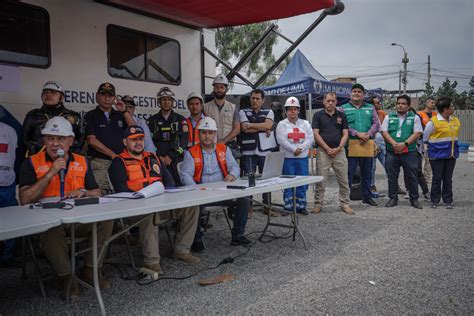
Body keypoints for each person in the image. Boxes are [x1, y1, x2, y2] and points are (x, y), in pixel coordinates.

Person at [18, 117, 113, 299]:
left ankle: (90, 269)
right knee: (50, 228)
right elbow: (24, 199)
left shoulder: (82, 161)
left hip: (77, 220)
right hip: (48, 220)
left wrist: (83, 191)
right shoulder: (31, 162)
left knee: (107, 219)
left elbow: (97, 192)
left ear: (70, 141)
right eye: (50, 138)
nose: (55, 144)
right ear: (44, 140)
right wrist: (50, 173)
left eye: (60, 138)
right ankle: (65, 277)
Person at [108, 126, 200, 272]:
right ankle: (152, 262)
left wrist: (167, 197)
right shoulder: (119, 162)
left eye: (140, 139)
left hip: (161, 204)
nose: (138, 142)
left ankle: (182, 251)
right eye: (133, 140)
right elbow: (121, 193)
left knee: (191, 207)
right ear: (125, 142)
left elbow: (169, 182)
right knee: (149, 215)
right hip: (136, 210)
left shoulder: (153, 157)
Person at [180, 117, 251, 247]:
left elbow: (235, 167)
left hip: (222, 193)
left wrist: (232, 175)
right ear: (199, 134)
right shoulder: (190, 152)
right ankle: (197, 239)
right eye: (204, 132)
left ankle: (238, 235)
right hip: (201, 194)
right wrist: (195, 190)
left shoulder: (223, 149)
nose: (207, 136)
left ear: (215, 134)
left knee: (244, 199)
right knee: (194, 205)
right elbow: (185, 175)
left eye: (210, 133)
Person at [84, 82, 134, 195]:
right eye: (103, 94)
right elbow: (91, 140)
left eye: (110, 95)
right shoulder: (90, 115)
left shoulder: (120, 115)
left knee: (123, 194)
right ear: (97, 96)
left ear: (114, 98)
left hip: (121, 162)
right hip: (100, 163)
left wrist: (124, 111)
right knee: (103, 195)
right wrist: (113, 155)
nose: (107, 98)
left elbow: (134, 131)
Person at [312, 93, 352, 214]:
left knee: (344, 180)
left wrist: (339, 148)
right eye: (328, 100)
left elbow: (345, 133)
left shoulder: (341, 115)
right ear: (324, 101)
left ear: (336, 102)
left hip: (339, 152)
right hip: (323, 152)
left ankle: (345, 203)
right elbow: (316, 134)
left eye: (333, 101)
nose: (330, 103)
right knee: (321, 179)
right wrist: (327, 148)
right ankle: (318, 204)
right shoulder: (317, 115)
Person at [340, 84, 380, 206]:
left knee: (367, 173)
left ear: (363, 95)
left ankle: (367, 197)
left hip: (367, 144)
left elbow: (376, 124)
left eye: (359, 92)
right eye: (354, 91)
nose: (356, 93)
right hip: (350, 145)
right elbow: (342, 125)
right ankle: (345, 200)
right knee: (349, 173)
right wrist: (357, 134)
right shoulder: (343, 108)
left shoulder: (370, 108)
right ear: (350, 94)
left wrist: (367, 134)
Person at [381, 95, 423, 209]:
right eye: (398, 103)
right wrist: (394, 144)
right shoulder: (389, 117)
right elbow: (384, 131)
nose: (400, 105)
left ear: (409, 106)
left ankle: (414, 199)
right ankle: (393, 198)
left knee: (412, 176)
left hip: (409, 152)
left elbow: (417, 132)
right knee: (392, 176)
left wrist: (405, 144)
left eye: (403, 103)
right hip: (392, 151)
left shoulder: (415, 117)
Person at [276, 97, 314, 215]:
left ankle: (301, 206)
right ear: (286, 111)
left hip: (302, 157)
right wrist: (293, 149)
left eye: (295, 109)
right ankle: (288, 207)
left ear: (298, 110)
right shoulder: (282, 124)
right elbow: (281, 140)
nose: (293, 112)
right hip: (288, 158)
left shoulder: (305, 124)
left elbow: (310, 138)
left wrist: (301, 149)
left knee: (302, 182)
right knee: (288, 182)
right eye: (290, 109)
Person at [239, 89, 275, 214]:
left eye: (257, 98)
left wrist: (252, 125)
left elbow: (268, 126)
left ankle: (267, 207)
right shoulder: (243, 112)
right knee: (250, 180)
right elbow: (244, 128)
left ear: (263, 100)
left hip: (264, 151)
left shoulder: (269, 111)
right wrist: (262, 127)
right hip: (248, 151)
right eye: (253, 98)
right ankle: (248, 208)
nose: (254, 100)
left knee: (267, 179)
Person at [22, 81, 82, 156]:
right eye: (45, 92)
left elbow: (81, 140)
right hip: (38, 159)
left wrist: (68, 153)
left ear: (61, 97)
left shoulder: (73, 116)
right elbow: (23, 139)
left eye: (53, 92)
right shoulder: (33, 115)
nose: (48, 95)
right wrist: (34, 149)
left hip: (65, 159)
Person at [423, 97, 460, 209]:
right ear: (445, 109)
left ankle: (448, 200)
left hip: (451, 154)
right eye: (451, 106)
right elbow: (425, 137)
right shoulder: (433, 122)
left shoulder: (455, 120)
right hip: (436, 155)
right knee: (437, 178)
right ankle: (435, 200)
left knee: (448, 179)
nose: (453, 108)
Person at [147, 87, 188, 186]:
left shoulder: (180, 120)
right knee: (159, 186)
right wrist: (160, 157)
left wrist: (170, 156)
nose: (166, 102)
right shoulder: (152, 121)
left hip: (176, 160)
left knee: (179, 187)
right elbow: (149, 142)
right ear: (159, 102)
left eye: (169, 99)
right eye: (163, 99)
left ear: (173, 102)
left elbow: (184, 142)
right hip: (158, 160)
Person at [203, 74, 241, 154]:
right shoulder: (205, 107)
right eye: (217, 87)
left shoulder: (233, 107)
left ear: (226, 89)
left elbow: (237, 129)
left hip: (230, 146)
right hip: (211, 146)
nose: (219, 90)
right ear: (214, 89)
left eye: (222, 87)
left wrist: (224, 141)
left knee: (231, 167)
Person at [0, 122, 19, 267]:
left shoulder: (9, 130)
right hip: (6, 181)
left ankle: (7, 255)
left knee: (12, 218)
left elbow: (15, 156)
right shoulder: (9, 129)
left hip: (6, 182)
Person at [368, 96, 387, 195]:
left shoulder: (382, 113)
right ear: (372, 104)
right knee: (372, 167)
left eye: (379, 102)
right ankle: (372, 186)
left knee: (388, 164)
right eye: (377, 102)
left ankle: (395, 186)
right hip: (371, 142)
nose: (379, 104)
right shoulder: (368, 113)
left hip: (382, 141)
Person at [418, 97, 437, 185]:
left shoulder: (435, 114)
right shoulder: (420, 114)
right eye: (432, 103)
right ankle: (418, 180)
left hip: (432, 141)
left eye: (434, 103)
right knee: (419, 162)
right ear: (427, 103)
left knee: (428, 162)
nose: (433, 104)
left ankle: (427, 181)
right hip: (421, 141)